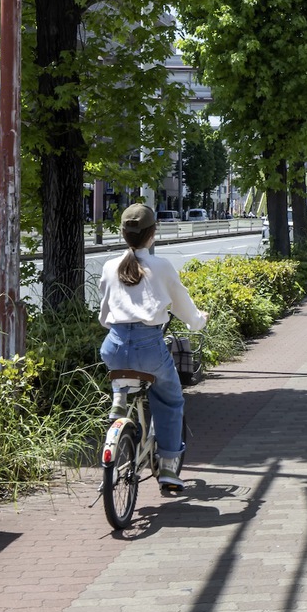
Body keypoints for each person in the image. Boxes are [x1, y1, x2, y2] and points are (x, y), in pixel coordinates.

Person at [98, 203, 208, 496]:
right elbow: (184, 307)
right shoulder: (160, 267)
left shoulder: (110, 267)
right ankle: (169, 468)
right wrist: (199, 321)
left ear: (123, 234)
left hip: (113, 346)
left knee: (122, 369)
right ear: (152, 234)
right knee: (170, 400)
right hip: (150, 345)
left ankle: (119, 398)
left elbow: (103, 315)